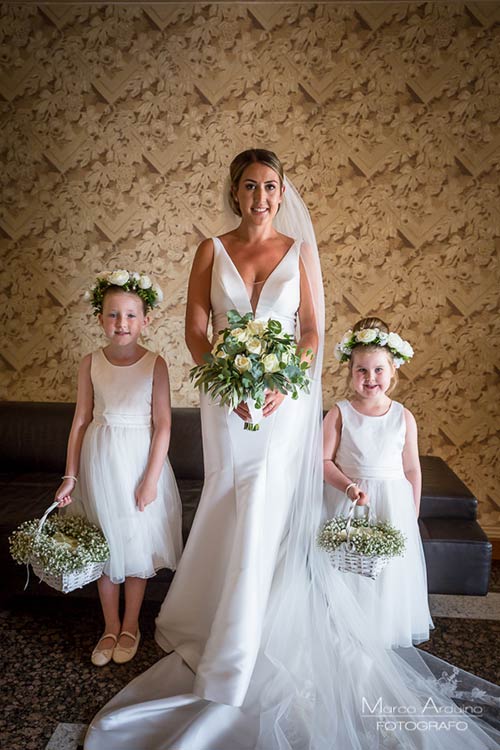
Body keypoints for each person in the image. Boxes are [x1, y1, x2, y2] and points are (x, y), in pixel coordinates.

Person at [84, 155, 500, 749]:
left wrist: (281, 384)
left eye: (270, 186)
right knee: (231, 496)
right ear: (236, 192)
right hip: (226, 405)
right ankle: (220, 616)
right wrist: (227, 379)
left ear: (282, 194)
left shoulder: (300, 251)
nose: (261, 195)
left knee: (267, 505)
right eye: (250, 185)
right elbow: (196, 328)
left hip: (284, 404)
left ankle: (250, 635)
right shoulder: (211, 249)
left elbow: (310, 331)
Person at [56, 271, 182, 666]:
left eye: (130, 316)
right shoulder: (90, 363)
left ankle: (131, 625)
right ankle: (109, 626)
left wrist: (151, 480)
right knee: (105, 546)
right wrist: (70, 475)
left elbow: (163, 425)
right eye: (113, 315)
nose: (121, 324)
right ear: (100, 319)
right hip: (99, 463)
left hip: (138, 465)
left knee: (134, 545)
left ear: (145, 321)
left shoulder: (154, 365)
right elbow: (80, 421)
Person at [323, 316, 433, 648]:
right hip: (351, 501)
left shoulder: (403, 416)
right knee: (349, 565)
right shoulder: (339, 413)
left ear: (392, 371)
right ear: (350, 372)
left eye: (378, 370)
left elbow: (412, 469)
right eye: (362, 370)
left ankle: (380, 632)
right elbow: (323, 462)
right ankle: (345, 628)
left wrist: (411, 513)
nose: (370, 378)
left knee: (387, 574)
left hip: (392, 505)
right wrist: (347, 487)